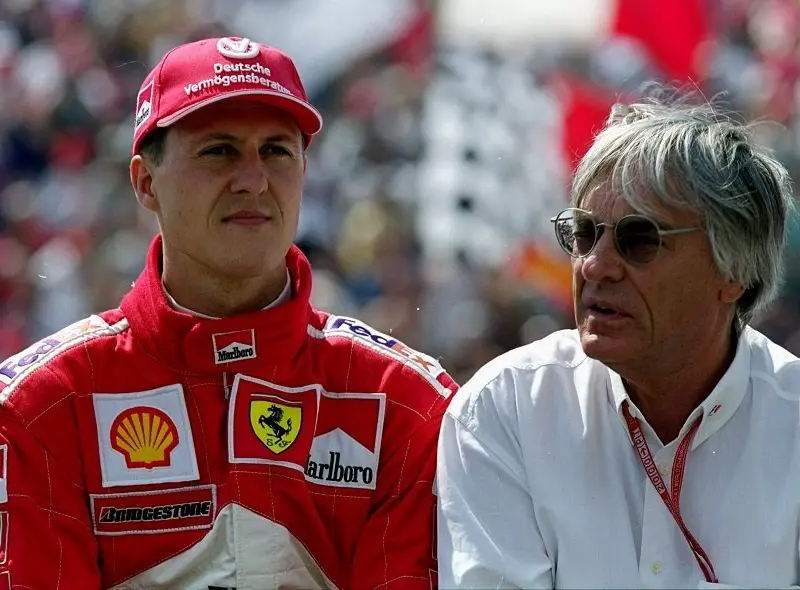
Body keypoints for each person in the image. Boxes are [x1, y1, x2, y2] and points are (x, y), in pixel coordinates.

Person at [0, 36, 457, 589]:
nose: (253, 179)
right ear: (146, 182)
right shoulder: (42, 404)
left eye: (276, 151)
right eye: (219, 150)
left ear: (305, 172)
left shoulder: (405, 403)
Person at [436, 87, 799, 589]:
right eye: (584, 233)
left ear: (732, 270)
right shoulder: (506, 409)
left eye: (639, 240)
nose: (595, 265)